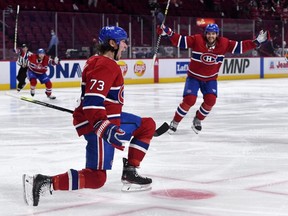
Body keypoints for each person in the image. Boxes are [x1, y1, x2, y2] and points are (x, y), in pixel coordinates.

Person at [23, 26, 156, 206]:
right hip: (100, 124)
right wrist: (105, 128)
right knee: (96, 177)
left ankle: (130, 172)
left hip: (105, 118)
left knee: (146, 125)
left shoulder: (96, 60)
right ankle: (43, 182)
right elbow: (93, 101)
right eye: (123, 41)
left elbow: (91, 98)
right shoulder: (106, 65)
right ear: (112, 43)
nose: (125, 45)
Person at [157, 23, 269, 134]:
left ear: (217, 35)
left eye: (213, 34)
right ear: (205, 34)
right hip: (193, 78)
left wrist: (256, 42)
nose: (211, 36)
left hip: (210, 79)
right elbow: (181, 41)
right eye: (209, 33)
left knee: (211, 100)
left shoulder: (224, 43)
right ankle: (175, 122)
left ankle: (198, 120)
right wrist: (168, 32)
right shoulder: (197, 40)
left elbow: (240, 47)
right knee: (189, 100)